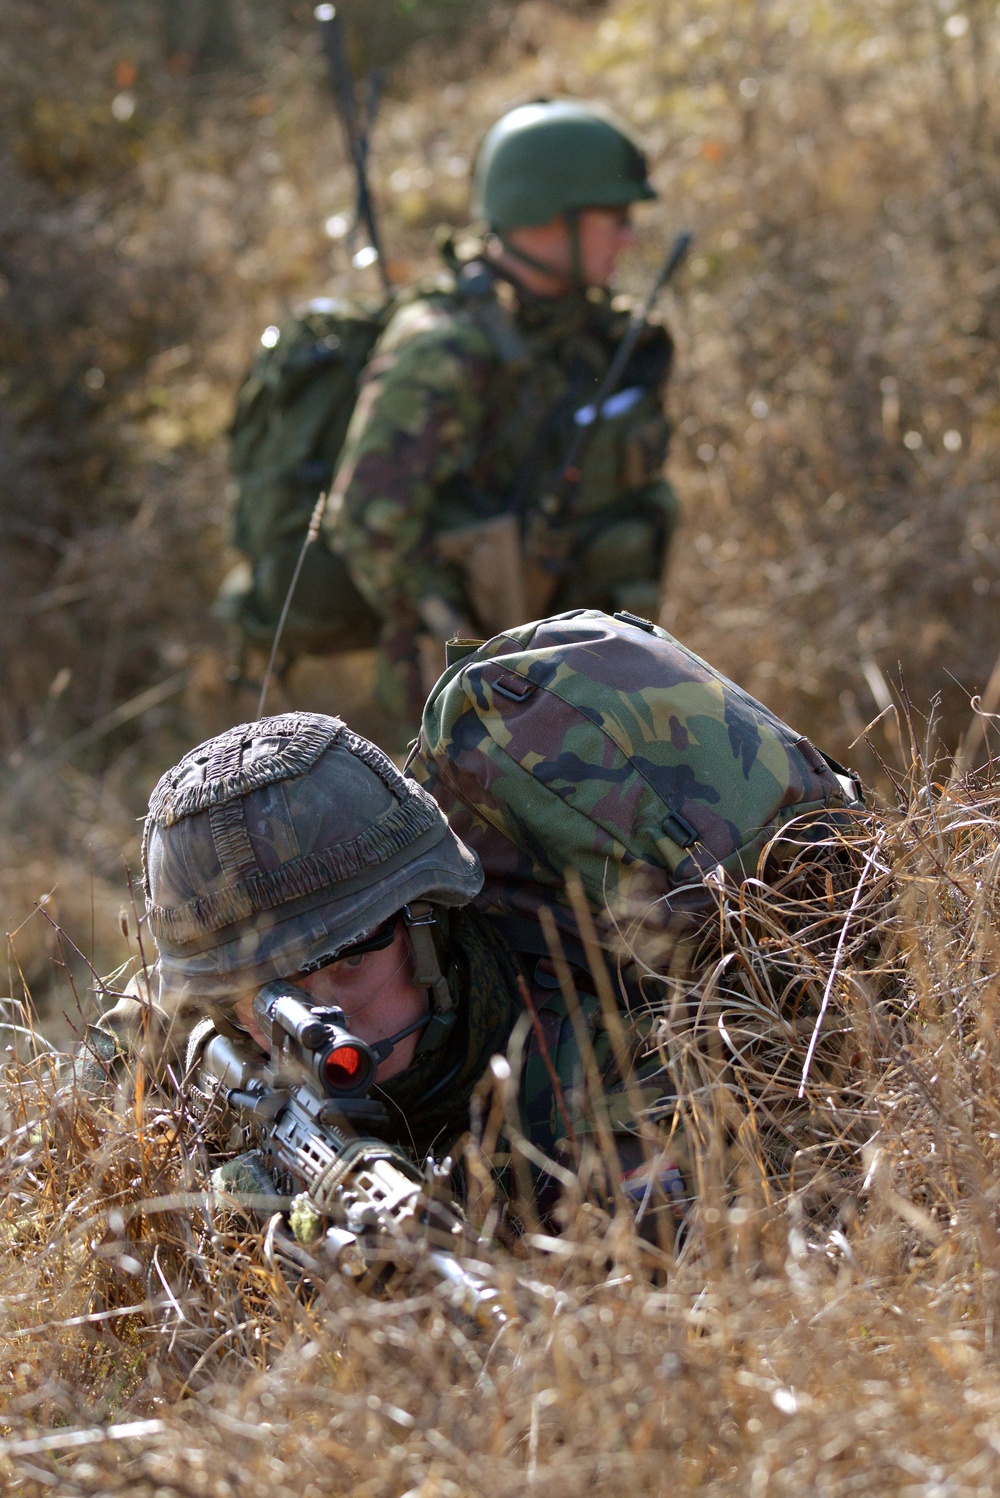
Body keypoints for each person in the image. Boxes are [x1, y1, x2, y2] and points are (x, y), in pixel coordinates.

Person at [86, 612, 865, 1242]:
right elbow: (102, 1074)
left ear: (429, 928)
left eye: (351, 963)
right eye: (269, 994)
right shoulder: (222, 1019)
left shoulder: (587, 1073)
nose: (322, 1020)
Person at [321, 99, 680, 730]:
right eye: (615, 216)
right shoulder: (445, 347)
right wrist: (478, 658)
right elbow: (368, 526)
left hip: (588, 683)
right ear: (550, 215)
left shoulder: (585, 331)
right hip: (471, 711)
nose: (629, 235)